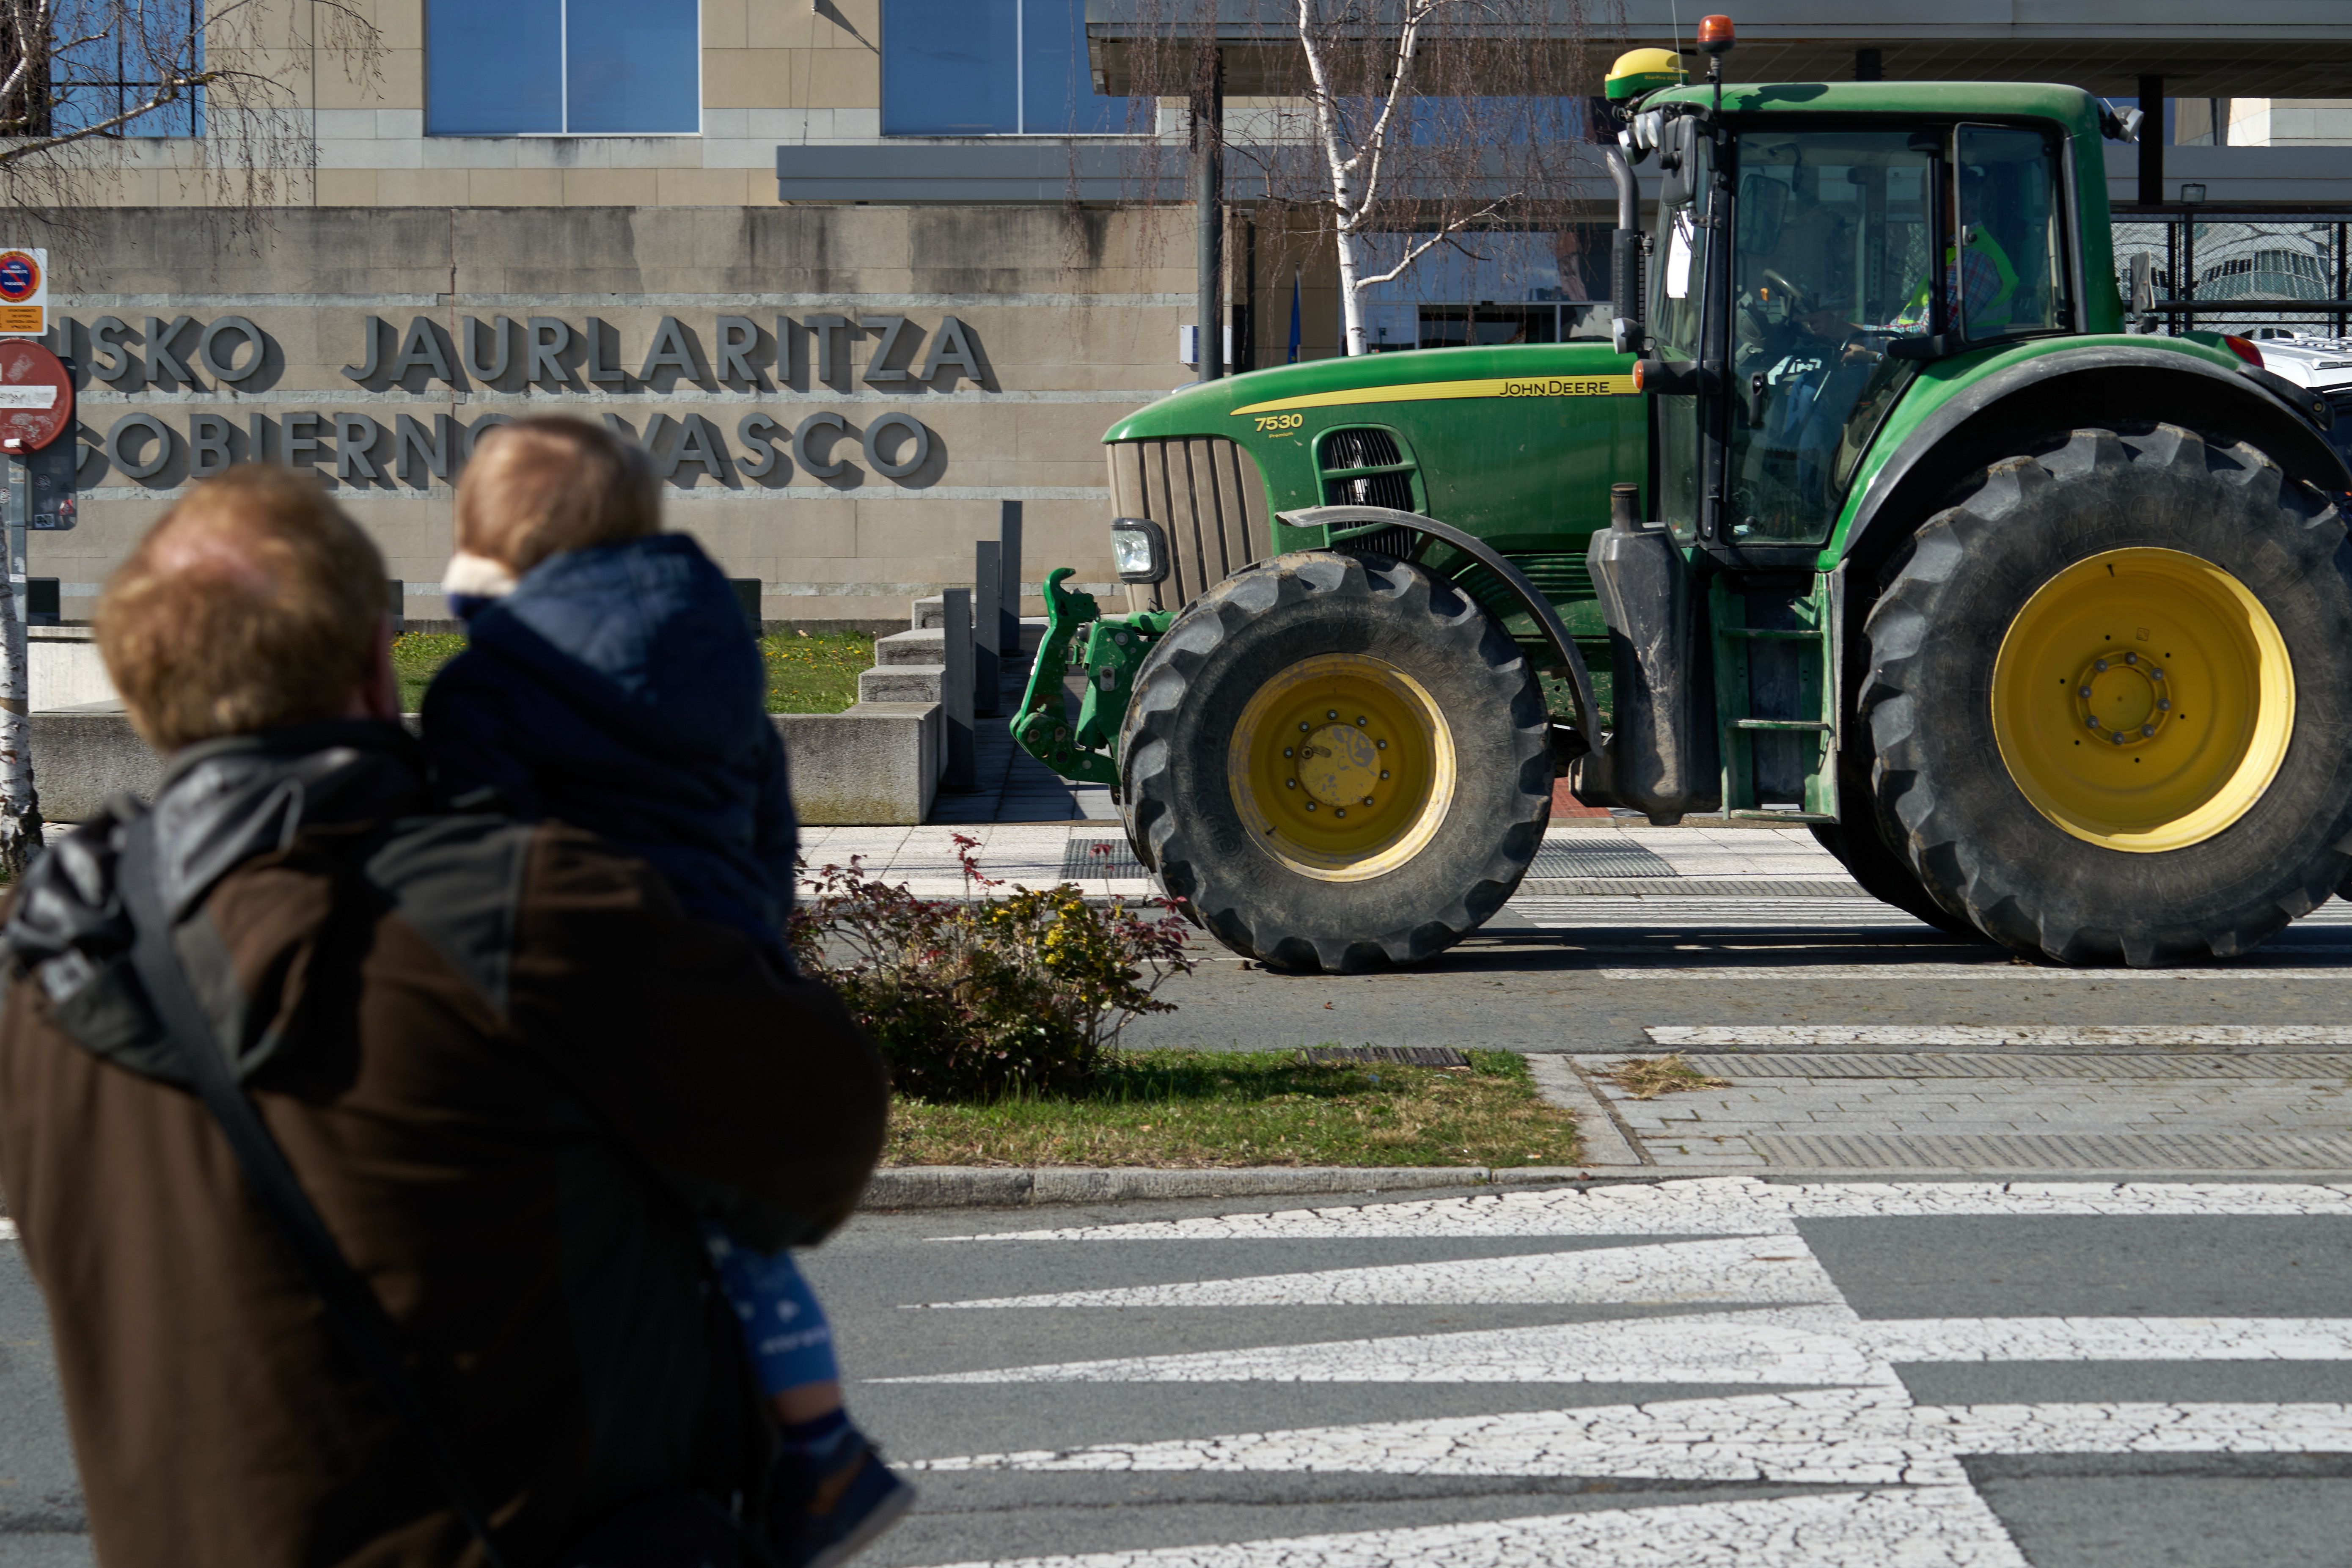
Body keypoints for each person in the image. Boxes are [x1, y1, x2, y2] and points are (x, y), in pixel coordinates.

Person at [0, 463, 891, 1565]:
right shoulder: (507, 908)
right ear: (379, 661)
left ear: (142, 692)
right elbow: (818, 1136)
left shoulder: (45, 973)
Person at [422, 416, 913, 1560]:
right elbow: (771, 822)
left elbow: (475, 863)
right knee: (738, 1245)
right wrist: (749, 937)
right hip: (720, 961)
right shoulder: (720, 650)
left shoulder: (487, 687)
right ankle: (821, 1435)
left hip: (585, 985)